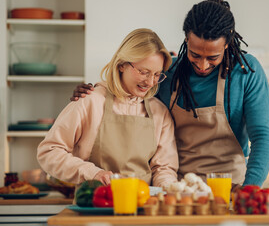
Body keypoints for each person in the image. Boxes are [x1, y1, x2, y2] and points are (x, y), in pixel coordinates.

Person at [71, 0, 269, 189]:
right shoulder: (167, 73)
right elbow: (127, 99)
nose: (203, 65)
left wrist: (250, 189)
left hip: (231, 187)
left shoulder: (246, 72)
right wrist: (97, 92)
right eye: (195, 55)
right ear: (186, 39)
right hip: (176, 189)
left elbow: (263, 136)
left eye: (213, 57)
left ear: (227, 45)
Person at [37, 28, 179, 187]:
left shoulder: (159, 112)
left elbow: (163, 168)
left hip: (143, 207)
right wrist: (92, 173)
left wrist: (168, 189)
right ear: (122, 65)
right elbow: (49, 151)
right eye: (144, 72)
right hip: (94, 205)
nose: (150, 82)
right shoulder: (90, 101)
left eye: (157, 74)